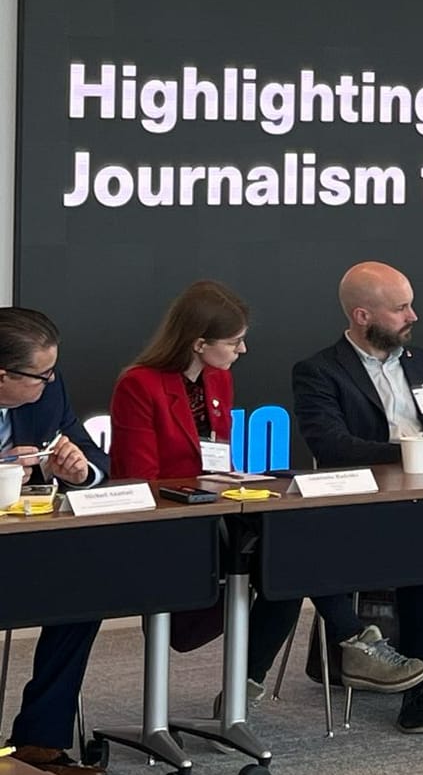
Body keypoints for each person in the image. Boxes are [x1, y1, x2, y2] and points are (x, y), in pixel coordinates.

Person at [108, 281, 303, 701]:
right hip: (168, 521)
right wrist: (205, 488)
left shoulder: (217, 380)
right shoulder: (139, 385)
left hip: (218, 508)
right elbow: (141, 479)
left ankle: (246, 681)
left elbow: (219, 457)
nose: (242, 351)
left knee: (297, 555)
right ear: (199, 343)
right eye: (234, 342)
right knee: (284, 555)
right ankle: (350, 640)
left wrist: (235, 480)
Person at [290, 262, 423, 732]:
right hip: (362, 503)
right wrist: (408, 451)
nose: (413, 315)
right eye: (401, 308)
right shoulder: (319, 371)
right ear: (363, 315)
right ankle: (418, 686)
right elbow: (330, 444)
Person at [1, 308, 109, 775]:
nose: (50, 381)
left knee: (83, 593)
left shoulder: (47, 393)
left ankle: (39, 744)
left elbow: (95, 455)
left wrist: (80, 471)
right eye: (40, 376)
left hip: (23, 545)